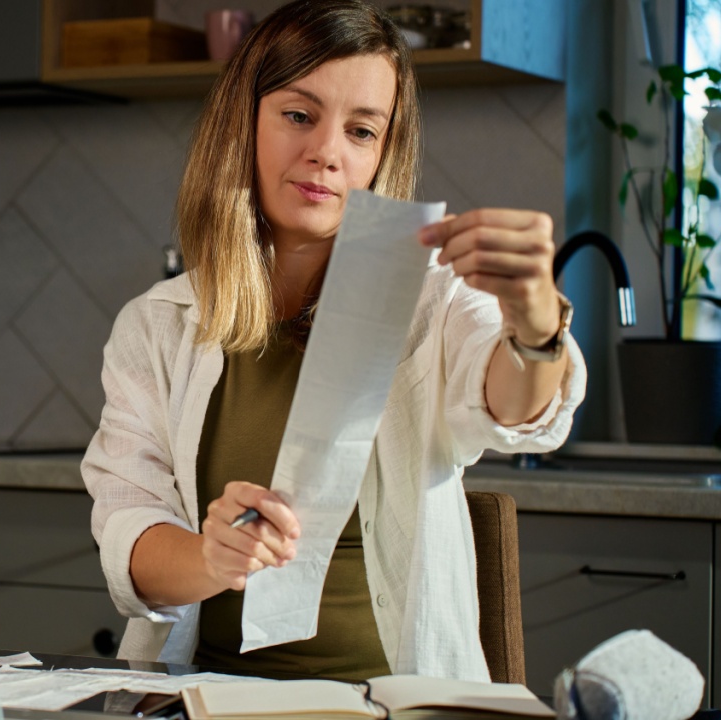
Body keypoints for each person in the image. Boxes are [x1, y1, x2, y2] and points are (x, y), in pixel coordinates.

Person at [81, 0, 586, 683]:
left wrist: (533, 323)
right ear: (244, 123)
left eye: (362, 131)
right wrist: (209, 558)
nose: (327, 151)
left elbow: (510, 409)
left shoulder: (433, 299)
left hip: (391, 702)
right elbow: (128, 531)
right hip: (206, 697)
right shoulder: (156, 324)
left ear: (383, 153)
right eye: (298, 115)